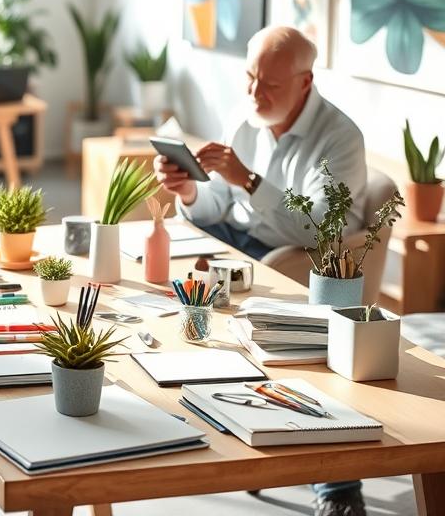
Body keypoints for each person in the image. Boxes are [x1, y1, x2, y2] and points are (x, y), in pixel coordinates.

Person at [153, 25, 367, 516]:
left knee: (307, 358)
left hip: (304, 262)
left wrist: (247, 178)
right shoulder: (245, 117)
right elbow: (218, 207)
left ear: (305, 83)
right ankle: (210, 417)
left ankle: (336, 489)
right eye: (250, 77)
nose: (254, 93)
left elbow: (318, 230)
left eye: (269, 85)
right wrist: (188, 190)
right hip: (242, 243)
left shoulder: (340, 138)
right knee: (166, 287)